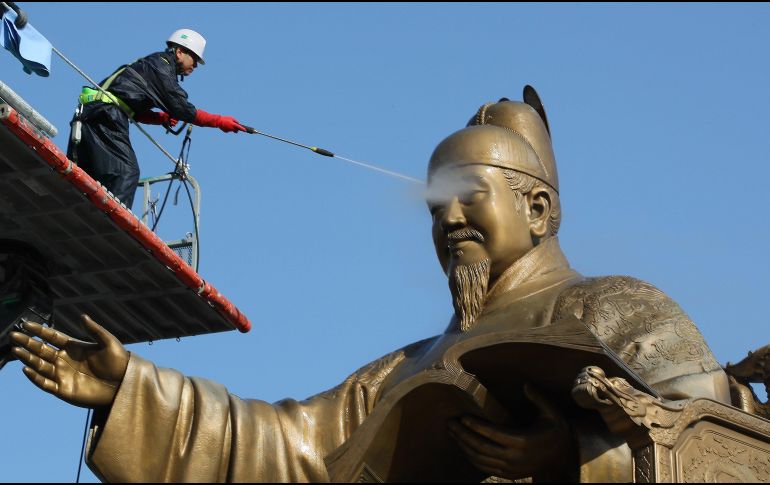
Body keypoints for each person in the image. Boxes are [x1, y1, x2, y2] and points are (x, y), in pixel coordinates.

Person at [12, 87, 731, 482]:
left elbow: (723, 454)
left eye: (468, 196)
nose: (448, 218)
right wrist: (132, 388)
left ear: (537, 208)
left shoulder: (622, 310)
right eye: (434, 204)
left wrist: (570, 460)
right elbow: (287, 444)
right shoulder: (404, 369)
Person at [66, 29, 246, 209]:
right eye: (194, 58)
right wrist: (219, 121)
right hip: (106, 116)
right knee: (125, 172)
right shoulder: (161, 67)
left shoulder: (150, 65)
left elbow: (132, 109)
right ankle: (110, 225)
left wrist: (160, 118)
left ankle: (85, 217)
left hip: (92, 115)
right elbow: (183, 109)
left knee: (88, 178)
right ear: (179, 52)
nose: (195, 65)